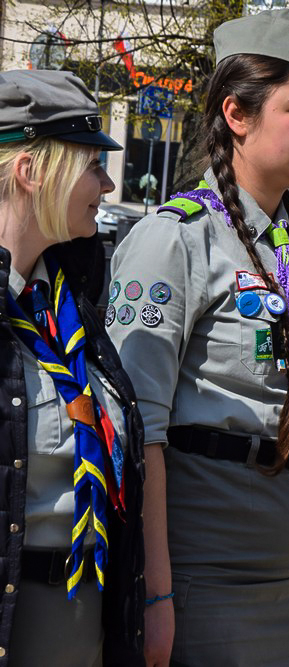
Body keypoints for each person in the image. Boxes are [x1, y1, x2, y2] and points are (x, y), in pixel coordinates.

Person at [106, 9, 289, 666]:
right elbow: (140, 433)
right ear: (237, 114)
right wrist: (156, 594)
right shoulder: (175, 240)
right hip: (207, 579)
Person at [0, 70, 144, 666]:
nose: (108, 184)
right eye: (91, 165)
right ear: (31, 172)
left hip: (87, 612)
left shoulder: (65, 302)